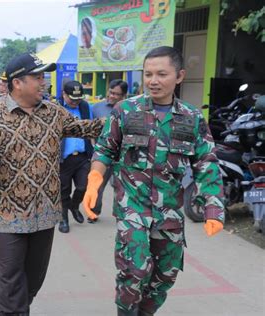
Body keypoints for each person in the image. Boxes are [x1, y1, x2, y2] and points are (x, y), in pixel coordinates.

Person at [82, 46, 225, 316]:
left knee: (165, 275)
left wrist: (213, 208)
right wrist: (94, 179)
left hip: (169, 210)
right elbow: (104, 149)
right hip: (132, 208)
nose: (153, 80)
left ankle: (144, 312)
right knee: (133, 270)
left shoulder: (192, 118)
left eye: (161, 74)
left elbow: (206, 163)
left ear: (179, 76)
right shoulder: (125, 110)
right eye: (148, 74)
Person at [0, 53, 104, 315]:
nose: (44, 82)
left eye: (44, 77)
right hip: (9, 217)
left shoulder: (53, 112)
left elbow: (86, 128)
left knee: (33, 281)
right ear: (18, 82)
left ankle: (19, 308)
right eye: (38, 77)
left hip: (45, 214)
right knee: (11, 282)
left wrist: (125, 119)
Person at [58, 80, 94, 233]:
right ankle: (63, 218)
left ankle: (74, 206)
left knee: (83, 186)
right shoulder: (56, 108)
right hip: (63, 159)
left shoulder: (85, 107)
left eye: (78, 99)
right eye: (72, 99)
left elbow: (91, 128)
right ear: (64, 95)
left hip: (82, 156)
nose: (75, 102)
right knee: (63, 190)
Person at [89, 79, 128, 222]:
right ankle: (94, 211)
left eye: (116, 94)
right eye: (111, 92)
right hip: (103, 155)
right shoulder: (96, 108)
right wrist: (94, 148)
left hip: (122, 156)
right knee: (97, 184)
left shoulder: (128, 109)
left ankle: (123, 214)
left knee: (122, 187)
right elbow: (90, 130)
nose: (112, 96)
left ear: (123, 96)